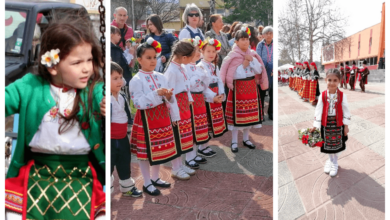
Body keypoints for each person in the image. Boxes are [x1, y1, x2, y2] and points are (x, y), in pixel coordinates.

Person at [4, 12, 106, 219]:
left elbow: (103, 97)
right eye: (77, 63)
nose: (87, 68)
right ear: (52, 65)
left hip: (80, 176)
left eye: (89, 60)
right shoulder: (30, 87)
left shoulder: (92, 91)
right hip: (36, 174)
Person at [129, 38, 181, 196]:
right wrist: (156, 93)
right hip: (146, 119)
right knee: (145, 154)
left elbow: (170, 100)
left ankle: (155, 177)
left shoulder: (160, 76)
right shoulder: (136, 80)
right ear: (139, 60)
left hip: (162, 117)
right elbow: (138, 103)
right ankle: (146, 182)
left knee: (160, 149)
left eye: (154, 57)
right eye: (148, 58)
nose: (152, 61)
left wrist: (169, 97)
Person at [220, 29, 267, 153]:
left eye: (247, 39)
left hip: (251, 87)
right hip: (238, 89)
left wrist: (251, 61)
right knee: (237, 116)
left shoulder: (252, 54)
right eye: (242, 39)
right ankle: (234, 141)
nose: (245, 42)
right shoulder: (232, 56)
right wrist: (245, 63)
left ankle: (246, 139)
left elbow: (258, 70)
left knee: (249, 116)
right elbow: (234, 74)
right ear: (236, 41)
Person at [162, 40, 200, 177]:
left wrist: (189, 98)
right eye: (191, 57)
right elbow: (169, 95)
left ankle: (180, 165)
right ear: (184, 57)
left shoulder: (181, 67)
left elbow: (186, 86)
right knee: (176, 137)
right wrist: (174, 115)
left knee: (183, 137)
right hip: (176, 106)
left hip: (183, 106)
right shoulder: (172, 71)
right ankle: (175, 168)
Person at [310, 68, 351, 177]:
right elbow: (318, 110)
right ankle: (329, 160)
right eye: (329, 80)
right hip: (326, 125)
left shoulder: (342, 96)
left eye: (335, 80)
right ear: (325, 80)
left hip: (338, 125)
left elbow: (346, 111)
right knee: (327, 144)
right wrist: (315, 126)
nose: (332, 83)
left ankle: (335, 162)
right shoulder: (322, 95)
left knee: (337, 144)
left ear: (339, 81)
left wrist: (346, 126)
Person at [184, 37, 219, 166]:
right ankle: (189, 157)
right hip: (191, 100)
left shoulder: (196, 67)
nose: (199, 53)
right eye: (196, 51)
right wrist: (198, 76)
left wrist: (213, 96)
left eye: (199, 50)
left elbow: (204, 87)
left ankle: (195, 154)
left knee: (198, 127)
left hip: (199, 100)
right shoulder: (185, 67)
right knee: (192, 128)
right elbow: (188, 85)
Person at [110, 61, 142, 200]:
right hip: (109, 140)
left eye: (120, 77)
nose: (119, 81)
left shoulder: (122, 96)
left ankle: (127, 187)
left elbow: (126, 114)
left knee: (124, 163)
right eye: (115, 78)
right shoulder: (104, 98)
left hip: (122, 137)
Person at [197, 38, 228, 155]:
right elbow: (203, 86)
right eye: (208, 51)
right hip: (207, 97)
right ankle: (201, 147)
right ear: (202, 52)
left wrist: (221, 93)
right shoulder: (200, 66)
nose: (211, 54)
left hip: (216, 96)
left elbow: (220, 80)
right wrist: (213, 96)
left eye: (213, 51)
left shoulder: (214, 65)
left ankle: (205, 145)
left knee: (211, 125)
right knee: (205, 123)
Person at [110, 25, 133, 123]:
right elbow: (118, 65)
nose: (120, 37)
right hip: (119, 81)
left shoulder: (115, 48)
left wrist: (128, 50)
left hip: (118, 80)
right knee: (119, 103)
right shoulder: (113, 49)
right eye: (118, 34)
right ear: (111, 34)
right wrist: (131, 54)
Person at [256, 26, 274, 120]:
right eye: (266, 33)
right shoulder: (260, 45)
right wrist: (261, 70)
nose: (268, 35)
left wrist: (274, 70)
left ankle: (271, 113)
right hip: (262, 70)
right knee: (261, 93)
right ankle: (261, 113)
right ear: (263, 35)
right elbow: (257, 57)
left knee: (272, 93)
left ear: (273, 35)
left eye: (270, 33)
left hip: (272, 71)